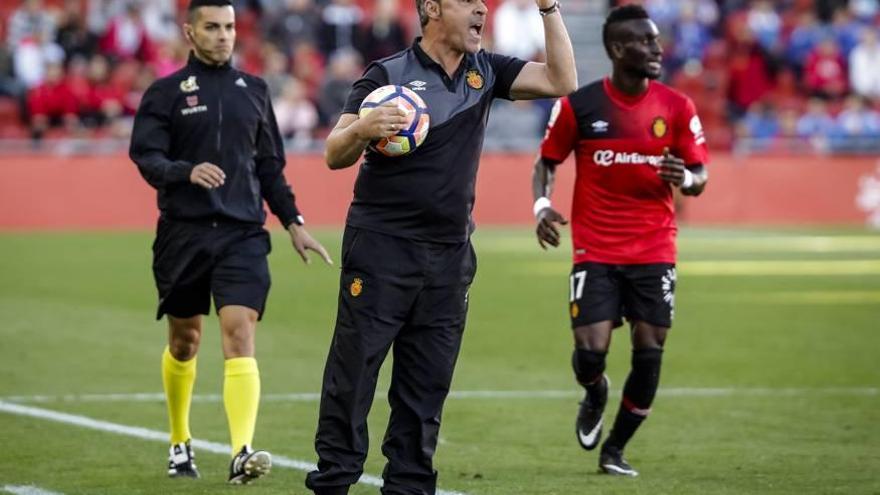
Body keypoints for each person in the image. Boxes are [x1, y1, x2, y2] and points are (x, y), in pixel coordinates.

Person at [305, 0, 577, 492]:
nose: (481, 11)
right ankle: (334, 481)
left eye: (483, 5)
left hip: (451, 254)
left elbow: (562, 81)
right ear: (431, 8)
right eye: (469, 2)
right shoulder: (386, 74)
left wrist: (549, 8)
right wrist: (364, 129)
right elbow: (332, 153)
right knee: (355, 374)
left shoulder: (486, 71)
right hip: (382, 248)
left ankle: (409, 485)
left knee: (426, 385)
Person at [129, 0, 331, 484]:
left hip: (243, 233)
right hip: (184, 234)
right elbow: (146, 156)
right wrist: (185, 172)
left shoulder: (255, 91)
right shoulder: (165, 93)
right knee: (185, 341)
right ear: (190, 32)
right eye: (212, 27)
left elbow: (269, 168)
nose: (223, 35)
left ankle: (242, 451)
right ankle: (180, 441)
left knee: (240, 332)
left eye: (230, 27)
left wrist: (293, 221)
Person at [531, 4, 708, 477]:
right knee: (590, 353)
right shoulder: (579, 105)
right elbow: (548, 161)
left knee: (650, 349)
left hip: (654, 248)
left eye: (655, 40)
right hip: (596, 247)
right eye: (645, 41)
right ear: (615, 49)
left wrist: (686, 179)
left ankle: (615, 449)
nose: (657, 49)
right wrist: (542, 205)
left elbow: (700, 172)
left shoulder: (677, 107)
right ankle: (594, 391)